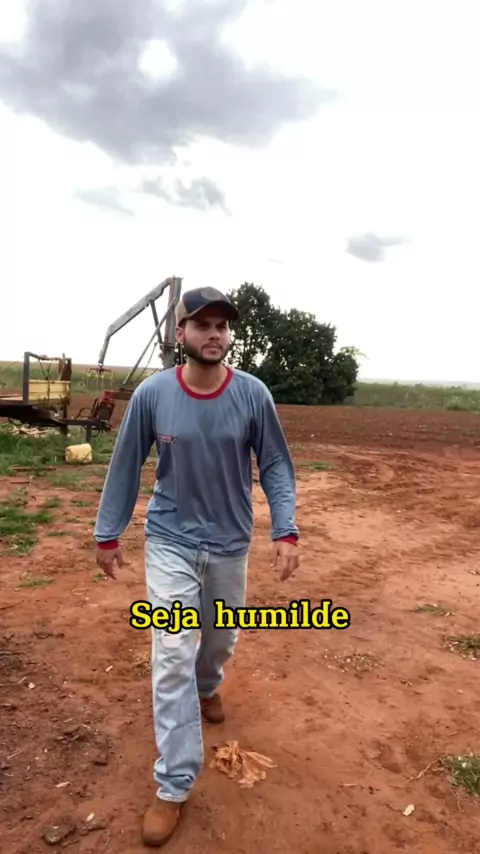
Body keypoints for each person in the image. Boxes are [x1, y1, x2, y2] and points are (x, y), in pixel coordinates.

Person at [93, 286, 299, 846]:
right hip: (170, 541)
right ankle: (174, 784)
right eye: (202, 325)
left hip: (230, 543)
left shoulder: (252, 394)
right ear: (180, 333)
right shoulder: (154, 395)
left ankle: (208, 686)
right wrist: (107, 531)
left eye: (221, 326)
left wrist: (285, 528)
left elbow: (276, 465)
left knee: (219, 638)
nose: (214, 334)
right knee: (173, 651)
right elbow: (126, 462)